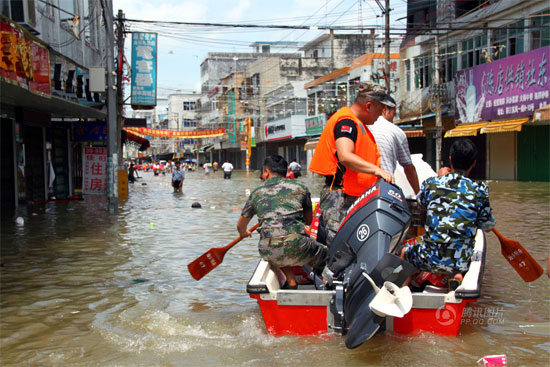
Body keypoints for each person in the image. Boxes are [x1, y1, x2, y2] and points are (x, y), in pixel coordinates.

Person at [308, 82, 394, 247]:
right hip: (340, 197)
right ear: (368, 106)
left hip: (354, 197)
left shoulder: (358, 123)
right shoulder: (346, 122)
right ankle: (328, 273)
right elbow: (345, 156)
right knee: (339, 246)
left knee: (355, 245)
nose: (380, 115)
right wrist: (376, 170)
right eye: (380, 109)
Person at [400, 139, 496, 281]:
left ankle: (403, 289)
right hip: (461, 262)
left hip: (428, 259)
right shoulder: (479, 190)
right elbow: (487, 227)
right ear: (474, 163)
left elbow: (421, 202)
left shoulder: (432, 183)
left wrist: (439, 179)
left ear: (450, 160)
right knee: (460, 250)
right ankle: (456, 276)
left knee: (404, 252)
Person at [237, 155, 327, 289]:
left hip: (268, 249)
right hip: (299, 247)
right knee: (326, 253)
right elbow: (309, 221)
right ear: (287, 171)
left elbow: (240, 225)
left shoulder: (256, 193)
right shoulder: (301, 187)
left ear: (266, 172)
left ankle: (290, 279)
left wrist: (244, 233)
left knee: (275, 244)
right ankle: (316, 275)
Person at [368, 95, 421, 194]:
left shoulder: (363, 126)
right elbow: (409, 169)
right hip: (385, 187)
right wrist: (418, 194)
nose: (393, 118)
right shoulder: (397, 132)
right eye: (393, 114)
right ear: (385, 110)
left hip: (359, 190)